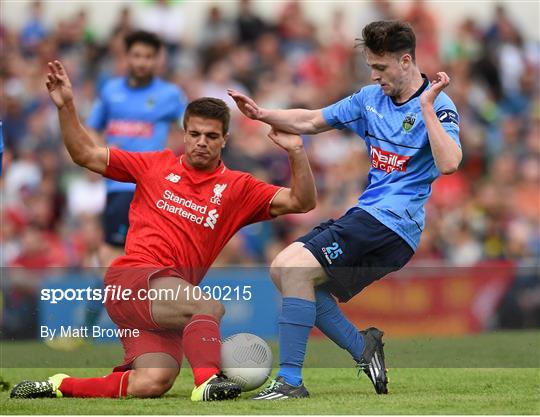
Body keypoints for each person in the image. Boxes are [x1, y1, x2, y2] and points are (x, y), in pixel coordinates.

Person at [10, 60, 316, 401]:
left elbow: (302, 202)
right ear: (183, 134)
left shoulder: (238, 188)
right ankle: (208, 383)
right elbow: (84, 153)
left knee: (153, 382)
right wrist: (67, 105)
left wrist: (296, 152)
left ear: (225, 139)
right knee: (207, 307)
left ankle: (58, 386)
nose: (201, 142)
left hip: (167, 300)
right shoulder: (154, 164)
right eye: (195, 134)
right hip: (133, 278)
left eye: (211, 136)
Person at [228, 20, 462, 399]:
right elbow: (312, 120)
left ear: (406, 61)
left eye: (381, 67)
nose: (374, 75)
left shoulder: (439, 107)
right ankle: (362, 348)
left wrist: (427, 108)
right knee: (283, 272)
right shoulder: (369, 100)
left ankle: (290, 382)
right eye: (371, 66)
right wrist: (261, 114)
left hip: (391, 224)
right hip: (370, 217)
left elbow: (450, 162)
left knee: (293, 269)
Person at [87, 30, 187, 268]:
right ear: (127, 57)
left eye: (149, 57)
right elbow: (91, 128)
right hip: (119, 184)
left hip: (155, 186)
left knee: (154, 253)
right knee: (113, 249)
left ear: (157, 60)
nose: (142, 62)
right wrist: (100, 150)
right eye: (137, 56)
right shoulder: (111, 91)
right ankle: (105, 303)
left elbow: (192, 128)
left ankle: (130, 302)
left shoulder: (171, 95)